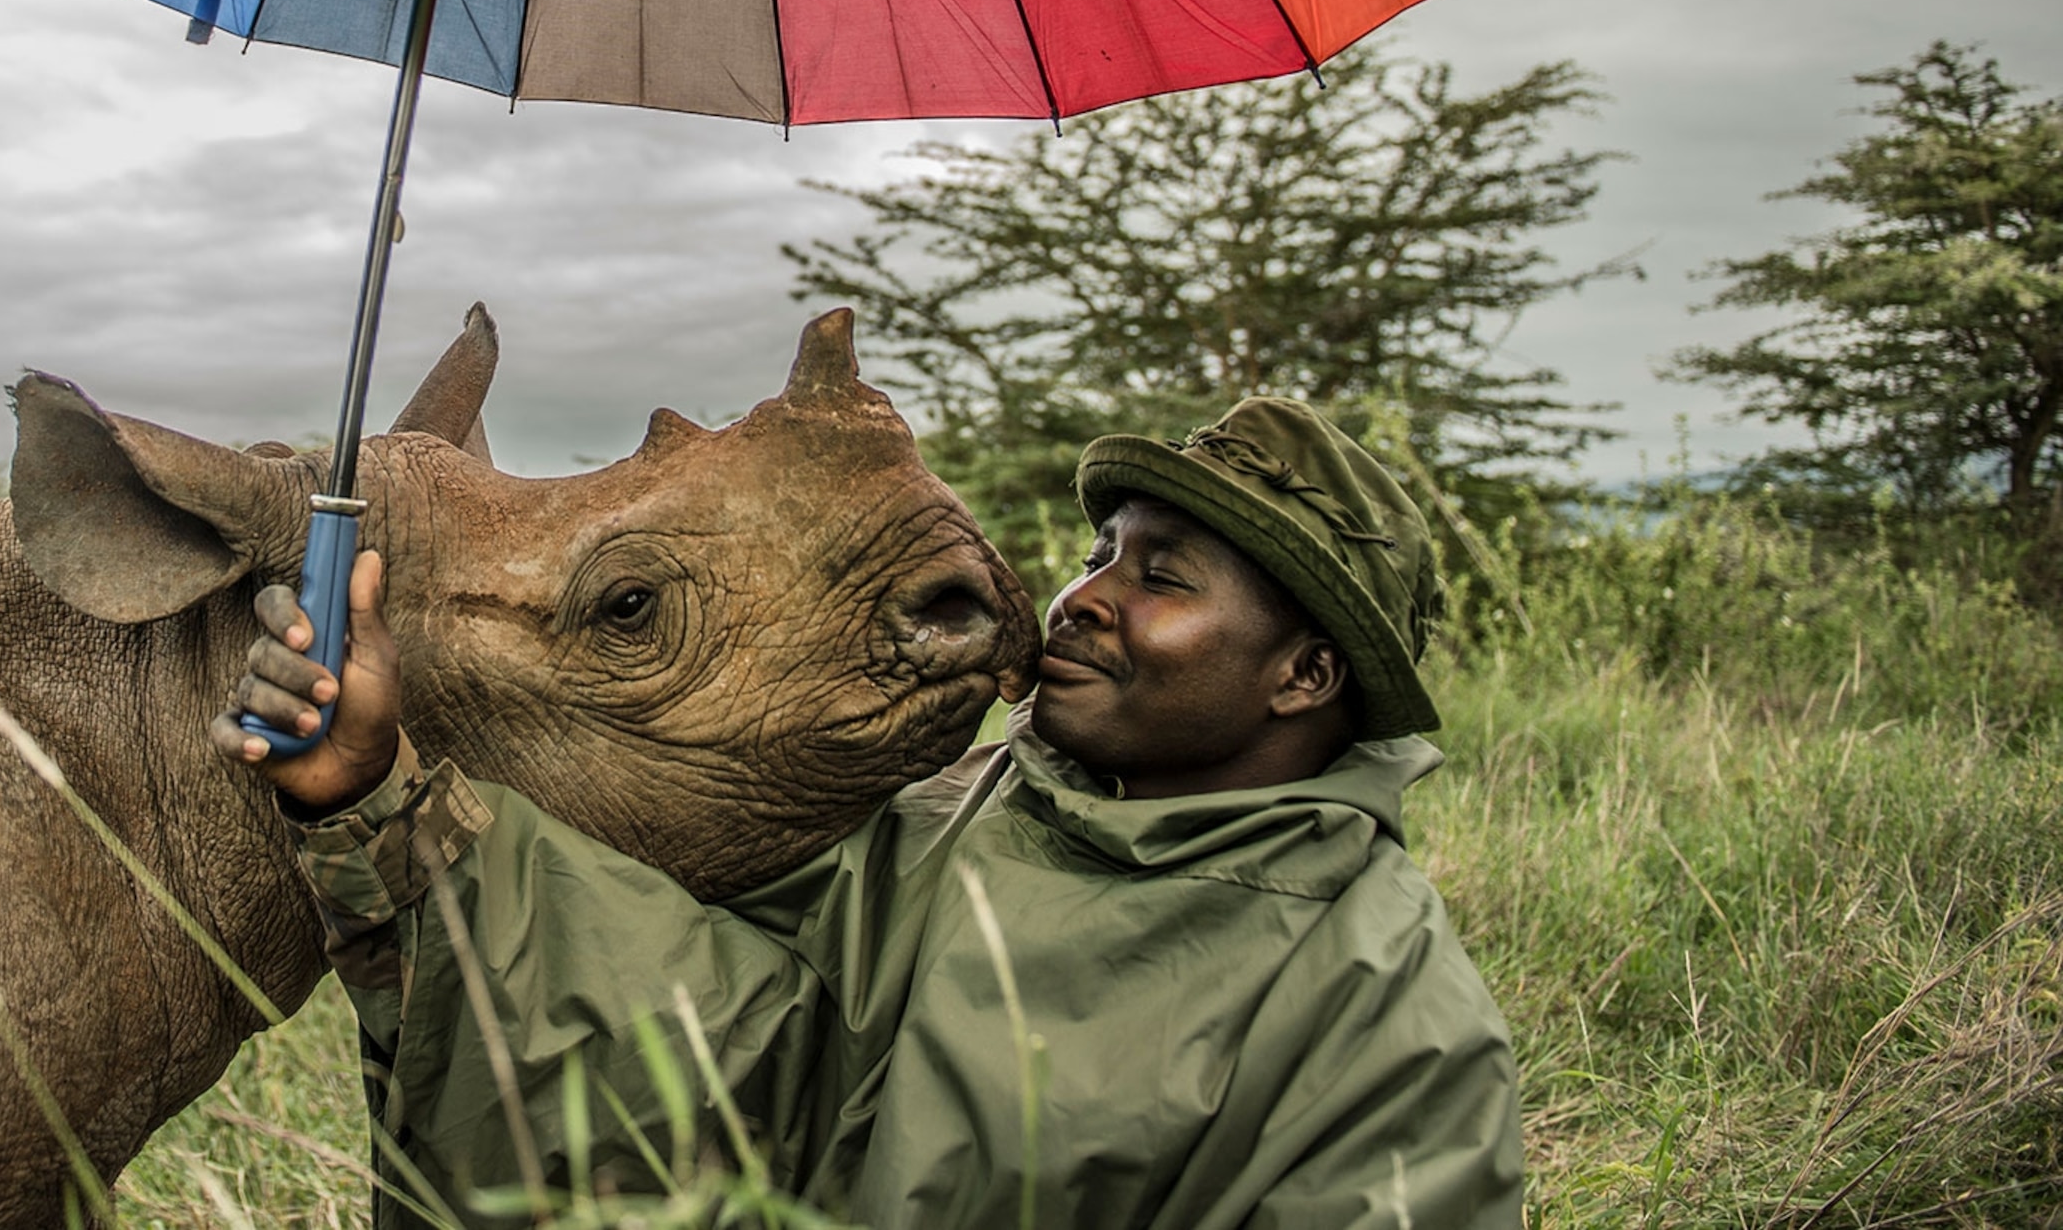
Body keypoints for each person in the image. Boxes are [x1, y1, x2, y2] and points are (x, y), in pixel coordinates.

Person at [211, 399, 1523, 1228]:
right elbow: (710, 1039)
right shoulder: (956, 812)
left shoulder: (1383, 1014)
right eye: (1096, 554)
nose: (1082, 595)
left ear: (1304, 673)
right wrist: (383, 794)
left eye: (1160, 575)